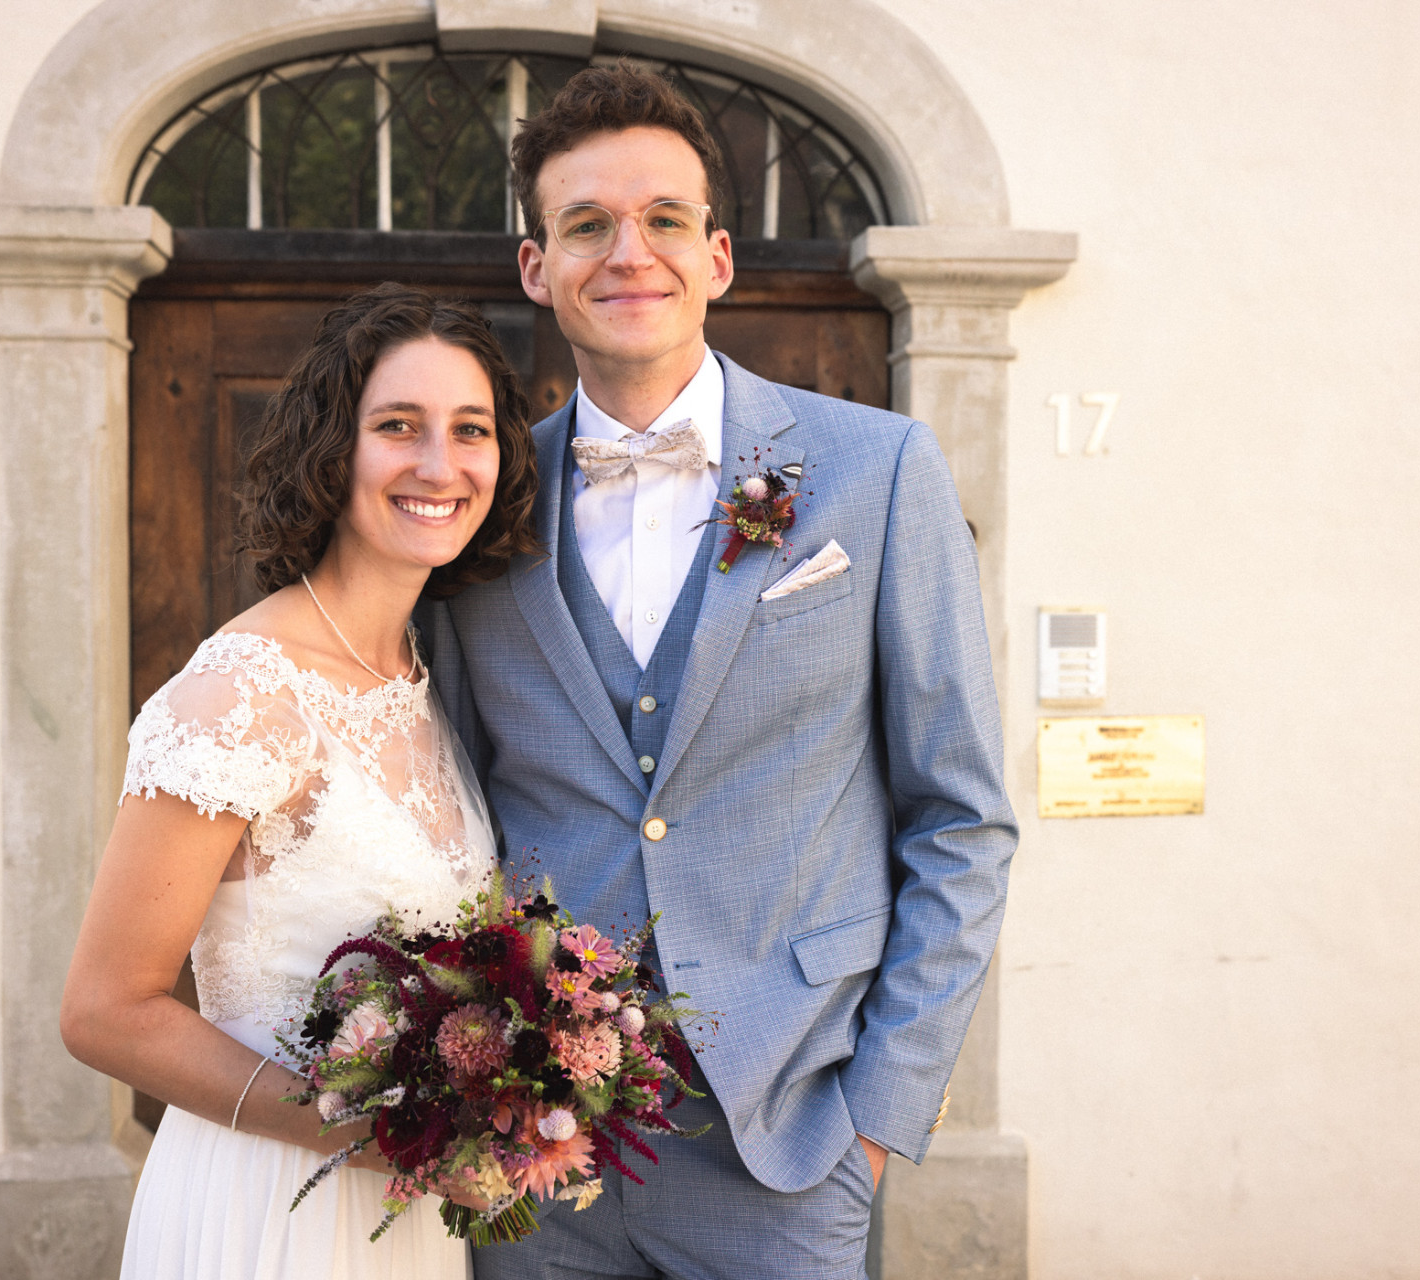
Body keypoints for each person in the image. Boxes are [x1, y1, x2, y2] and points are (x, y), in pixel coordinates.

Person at [421, 65, 1019, 1279]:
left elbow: (960, 816)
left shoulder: (876, 469)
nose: (627, 251)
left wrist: (877, 1119)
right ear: (536, 265)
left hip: (790, 1143)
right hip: (541, 1158)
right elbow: (453, 808)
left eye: (664, 219)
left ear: (718, 256)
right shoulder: (484, 505)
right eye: (586, 224)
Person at [59, 284, 540, 1279]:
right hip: (270, 1208)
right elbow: (105, 1011)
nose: (439, 464)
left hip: (408, 1220)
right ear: (333, 448)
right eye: (397, 425)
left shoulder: (419, 677)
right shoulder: (240, 694)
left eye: (471, 429)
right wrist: (380, 1135)